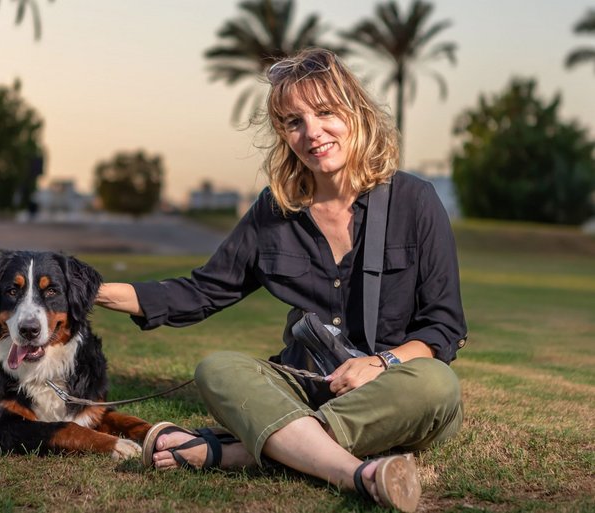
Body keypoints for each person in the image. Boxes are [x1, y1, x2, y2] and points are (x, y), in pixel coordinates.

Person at [95, 47, 466, 512]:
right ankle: (354, 471)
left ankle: (246, 451)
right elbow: (201, 291)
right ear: (283, 134)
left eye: (325, 113)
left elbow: (443, 327)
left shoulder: (415, 200)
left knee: (437, 385)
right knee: (218, 369)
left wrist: (381, 363)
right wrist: (89, 291)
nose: (312, 133)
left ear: (355, 112)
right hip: (305, 385)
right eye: (294, 122)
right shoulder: (274, 211)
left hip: (392, 389)